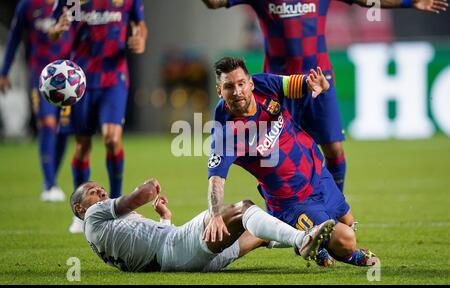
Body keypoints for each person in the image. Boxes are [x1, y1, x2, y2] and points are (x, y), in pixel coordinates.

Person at [201, 0, 448, 193]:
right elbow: (214, 3)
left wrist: (410, 3)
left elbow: (366, 1)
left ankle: (334, 211)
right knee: (273, 158)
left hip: (319, 79)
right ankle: (284, 216)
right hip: (276, 88)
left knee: (333, 149)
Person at [205, 57, 378, 268]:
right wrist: (215, 215)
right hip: (292, 201)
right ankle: (345, 254)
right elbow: (216, 179)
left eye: (241, 83)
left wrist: (315, 85)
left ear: (250, 83)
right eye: (229, 86)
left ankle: (309, 241)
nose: (237, 91)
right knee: (347, 240)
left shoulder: (263, 85)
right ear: (219, 91)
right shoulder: (226, 133)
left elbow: (296, 84)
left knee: (348, 222)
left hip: (317, 174)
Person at [70, 178, 335, 272]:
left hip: (180, 257)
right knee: (243, 209)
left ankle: (314, 246)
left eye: (101, 188)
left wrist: (165, 217)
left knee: (257, 231)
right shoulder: (93, 216)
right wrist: (147, 188)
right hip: (177, 250)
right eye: (93, 191)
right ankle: (303, 241)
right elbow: (139, 196)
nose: (101, 191)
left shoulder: (101, 231)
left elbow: (142, 250)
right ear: (79, 208)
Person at [49, 0, 148, 233]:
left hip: (114, 78)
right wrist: (57, 29)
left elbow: (140, 25)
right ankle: (81, 212)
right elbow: (53, 32)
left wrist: (140, 38)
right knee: (83, 144)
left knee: (112, 139)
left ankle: (116, 206)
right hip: (78, 81)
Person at [0, 0, 75, 202]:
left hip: (71, 79)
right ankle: (50, 184)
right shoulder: (27, 5)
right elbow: (15, 37)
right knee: (47, 125)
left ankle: (51, 179)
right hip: (41, 76)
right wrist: (4, 71)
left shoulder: (72, 4)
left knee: (63, 130)